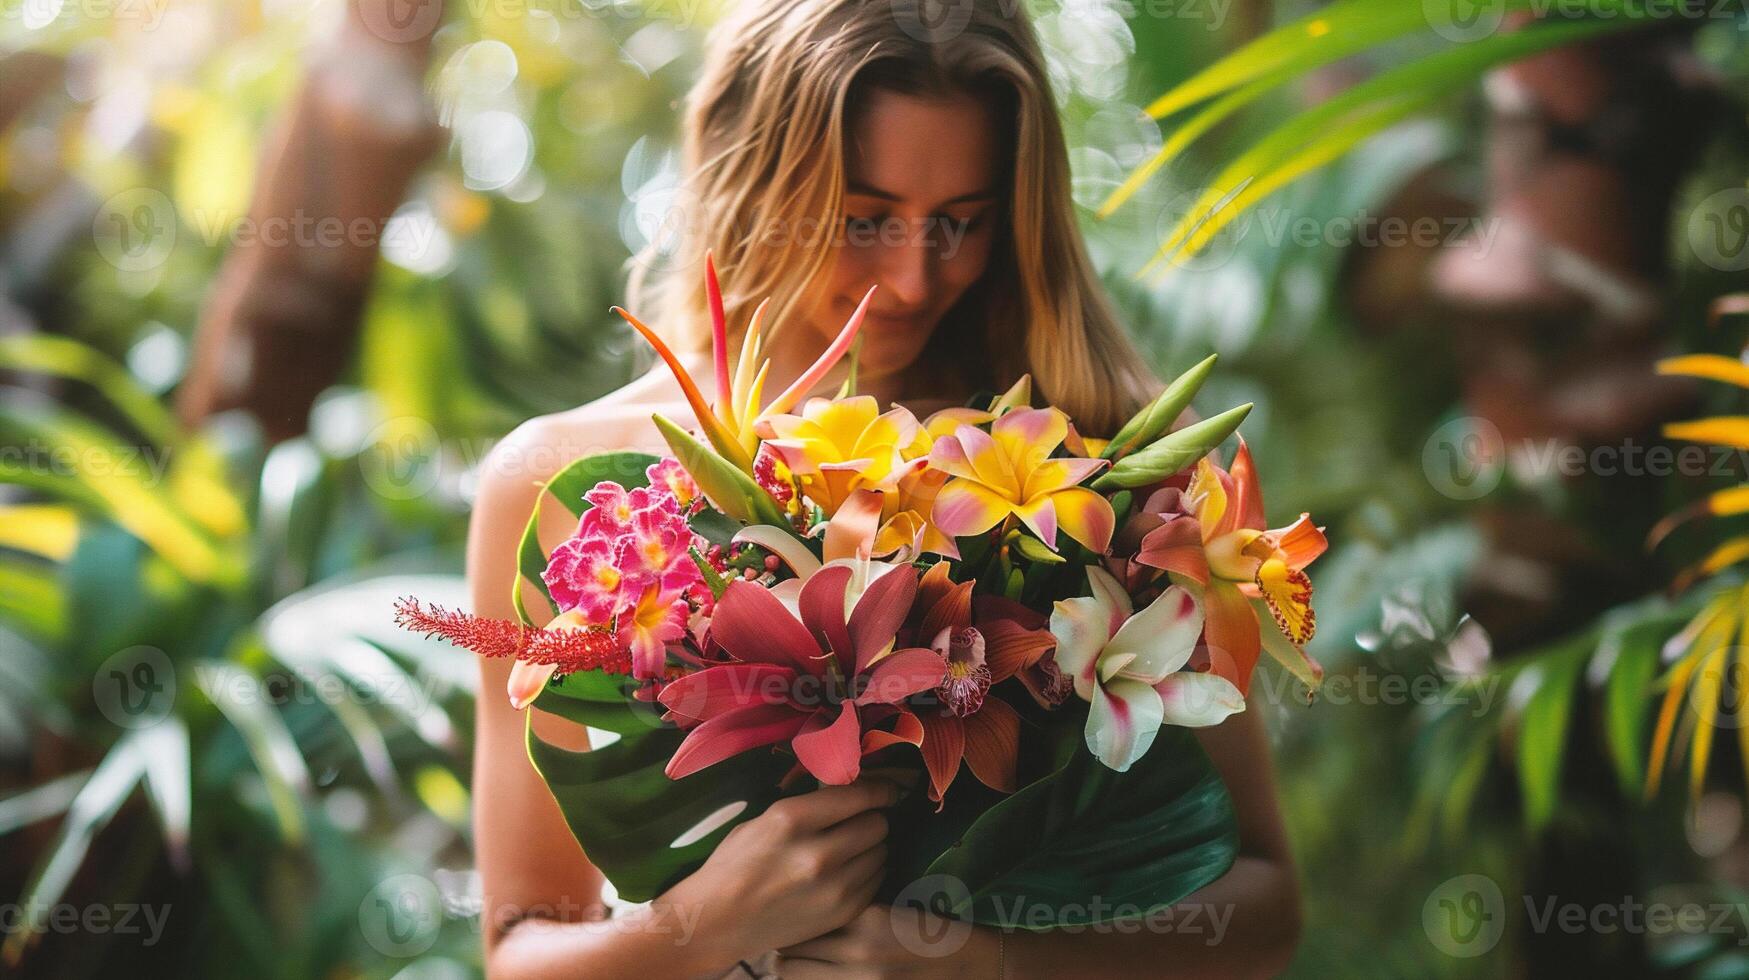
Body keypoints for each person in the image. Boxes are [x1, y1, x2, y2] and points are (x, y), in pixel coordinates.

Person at [469, 2, 1302, 976]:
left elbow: (1264, 909)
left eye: (961, 221)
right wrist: (705, 922)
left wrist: (983, 965)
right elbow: (519, 948)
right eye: (864, 217)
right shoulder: (564, 488)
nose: (911, 278)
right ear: (745, 173)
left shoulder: (1117, 467)